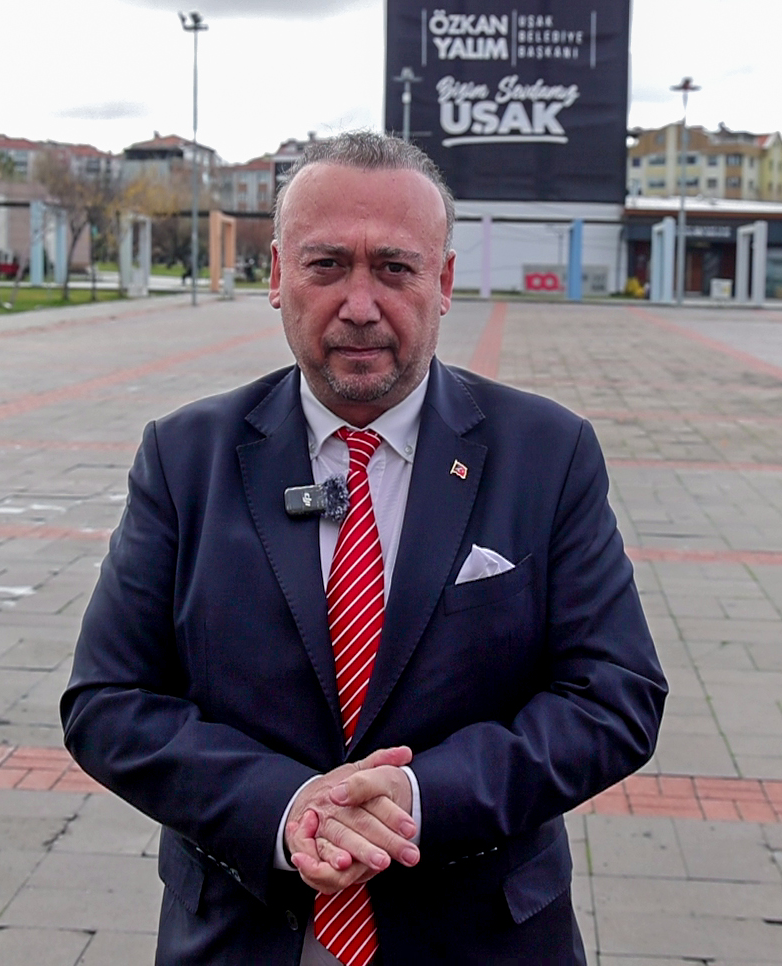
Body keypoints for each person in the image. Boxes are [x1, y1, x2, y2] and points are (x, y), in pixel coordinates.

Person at [62, 131, 667, 965]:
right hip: (244, 933)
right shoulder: (184, 456)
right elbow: (108, 701)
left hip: (481, 937)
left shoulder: (546, 451)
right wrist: (284, 810)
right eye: (325, 265)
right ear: (277, 275)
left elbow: (612, 697)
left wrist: (419, 798)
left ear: (442, 283)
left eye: (393, 268)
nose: (358, 304)